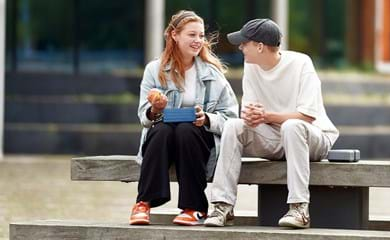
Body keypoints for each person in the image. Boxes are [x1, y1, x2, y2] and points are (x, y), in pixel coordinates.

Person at [204, 19, 339, 229]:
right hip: (274, 138)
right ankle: (223, 206)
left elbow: (307, 117)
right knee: (233, 126)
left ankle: (299, 209)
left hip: (313, 137)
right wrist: (252, 117)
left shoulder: (301, 63)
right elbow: (250, 114)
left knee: (292, 126)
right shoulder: (252, 67)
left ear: (259, 46)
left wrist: (266, 116)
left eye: (244, 43)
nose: (240, 47)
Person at [129, 10, 238, 226]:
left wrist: (206, 118)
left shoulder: (213, 74)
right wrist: (155, 110)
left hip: (198, 139)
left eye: (201, 35)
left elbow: (232, 118)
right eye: (192, 35)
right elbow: (144, 116)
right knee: (162, 129)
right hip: (163, 138)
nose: (198, 41)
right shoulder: (154, 69)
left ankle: (194, 207)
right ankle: (143, 202)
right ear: (174, 35)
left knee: (186, 129)